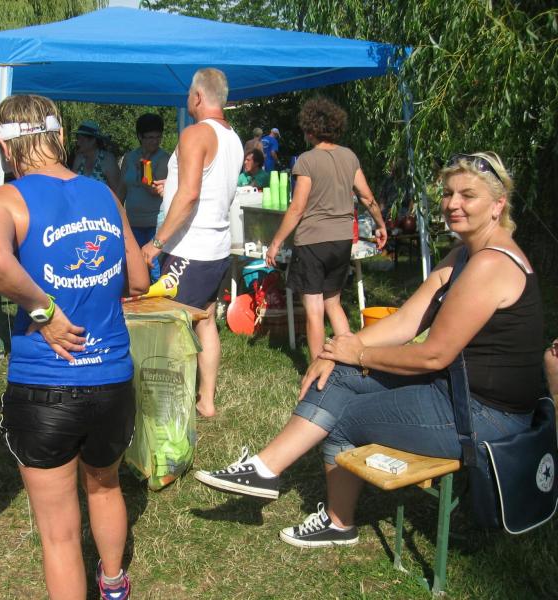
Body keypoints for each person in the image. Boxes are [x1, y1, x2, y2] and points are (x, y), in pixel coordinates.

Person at [196, 152, 546, 548]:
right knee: (340, 373)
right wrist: (340, 350)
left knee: (344, 418)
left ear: (498, 204)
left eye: (468, 195)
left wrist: (359, 355)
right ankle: (264, 469)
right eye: (449, 193)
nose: (452, 204)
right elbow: (408, 320)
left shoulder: (490, 264)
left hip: (487, 417)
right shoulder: (466, 254)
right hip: (457, 394)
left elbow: (433, 355)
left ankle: (338, 523)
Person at [0, 94, 148, 600]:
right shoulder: (104, 194)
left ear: (5, 148)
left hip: (45, 382)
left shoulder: (2, 200)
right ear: (61, 137)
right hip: (111, 376)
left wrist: (44, 310)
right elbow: (138, 278)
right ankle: (113, 583)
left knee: (59, 533)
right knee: (106, 484)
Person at [141, 68, 243, 418]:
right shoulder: (233, 137)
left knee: (173, 328)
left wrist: (157, 242)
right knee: (205, 320)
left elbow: (190, 195)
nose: (187, 99)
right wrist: (169, 187)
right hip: (216, 248)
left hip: (190, 249)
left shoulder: (195, 133)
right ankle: (205, 400)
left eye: (188, 93)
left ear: (198, 96)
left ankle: (169, 406)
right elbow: (204, 187)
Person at [265, 97, 387, 360]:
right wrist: (380, 224)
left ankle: (317, 369)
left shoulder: (306, 161)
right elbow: (367, 198)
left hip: (312, 242)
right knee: (333, 302)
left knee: (314, 308)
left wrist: (275, 243)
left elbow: (297, 208)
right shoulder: (349, 156)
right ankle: (353, 359)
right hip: (342, 241)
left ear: (309, 129)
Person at [117, 112, 170, 281]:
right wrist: (116, 212)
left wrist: (144, 166)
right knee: (133, 270)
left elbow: (153, 189)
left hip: (154, 225)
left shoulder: (164, 159)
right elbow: (122, 188)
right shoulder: (129, 157)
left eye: (158, 137)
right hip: (132, 223)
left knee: (154, 271)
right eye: (150, 137)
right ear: (140, 136)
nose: (155, 141)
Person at [71, 119, 121, 192]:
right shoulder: (79, 159)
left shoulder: (107, 160)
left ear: (93, 140)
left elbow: (118, 193)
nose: (78, 143)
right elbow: (72, 186)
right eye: (78, 139)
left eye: (82, 139)